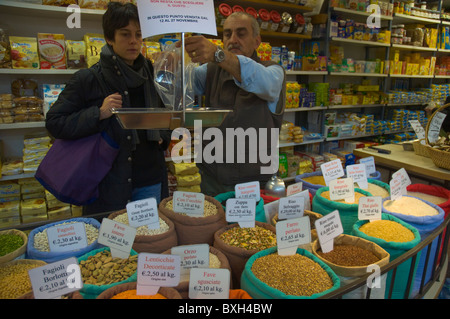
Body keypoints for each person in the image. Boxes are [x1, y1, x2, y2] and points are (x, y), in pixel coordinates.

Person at [45, 2, 170, 214]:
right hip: (110, 184)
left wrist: (163, 135)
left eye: (139, 35)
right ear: (109, 38)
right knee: (114, 245)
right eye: (125, 34)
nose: (133, 41)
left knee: (149, 240)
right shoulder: (88, 79)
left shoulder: (152, 73)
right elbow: (54, 123)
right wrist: (98, 113)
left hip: (151, 179)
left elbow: (165, 114)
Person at [180, 12, 286, 196]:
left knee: (252, 226)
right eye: (228, 34)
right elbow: (185, 85)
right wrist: (174, 63)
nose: (233, 39)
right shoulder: (211, 70)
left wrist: (217, 54)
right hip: (212, 179)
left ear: (257, 41)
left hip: (254, 182)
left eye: (241, 33)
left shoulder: (273, 72)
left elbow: (258, 79)